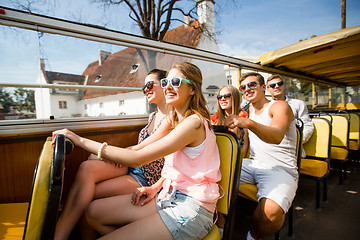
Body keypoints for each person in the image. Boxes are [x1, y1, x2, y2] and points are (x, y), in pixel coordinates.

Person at [52, 62, 222, 240]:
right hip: (167, 194)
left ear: (192, 89)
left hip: (190, 207)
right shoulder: (174, 119)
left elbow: (136, 158)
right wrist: (156, 187)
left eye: (176, 82)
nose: (169, 87)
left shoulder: (193, 123)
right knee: (93, 212)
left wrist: (78, 139)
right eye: (166, 83)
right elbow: (165, 160)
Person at [54, 69, 168, 240]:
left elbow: (141, 151)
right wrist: (110, 155)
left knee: (87, 199)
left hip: (147, 177)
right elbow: (137, 147)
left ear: (165, 84)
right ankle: (57, 235)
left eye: (150, 84)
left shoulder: (172, 119)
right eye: (143, 87)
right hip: (135, 166)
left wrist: (105, 154)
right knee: (87, 168)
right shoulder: (153, 116)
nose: (146, 89)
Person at [224, 72, 298, 240]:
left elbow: (277, 136)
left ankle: (252, 236)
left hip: (281, 168)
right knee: (211, 174)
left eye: (252, 85)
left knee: (270, 213)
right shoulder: (248, 109)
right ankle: (220, 227)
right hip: (253, 164)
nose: (246, 89)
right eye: (243, 87)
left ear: (264, 87)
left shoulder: (279, 106)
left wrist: (248, 123)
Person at [266, 74, 314, 156]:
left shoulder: (298, 104)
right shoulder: (266, 106)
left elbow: (308, 126)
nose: (276, 86)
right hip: (270, 149)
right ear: (267, 89)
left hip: (293, 150)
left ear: (283, 86)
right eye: (272, 85)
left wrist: (296, 141)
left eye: (279, 84)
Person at [211, 84, 249, 156]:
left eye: (227, 96)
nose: (222, 99)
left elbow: (244, 147)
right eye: (219, 97)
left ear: (235, 98)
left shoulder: (243, 116)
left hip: (234, 158)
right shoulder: (215, 117)